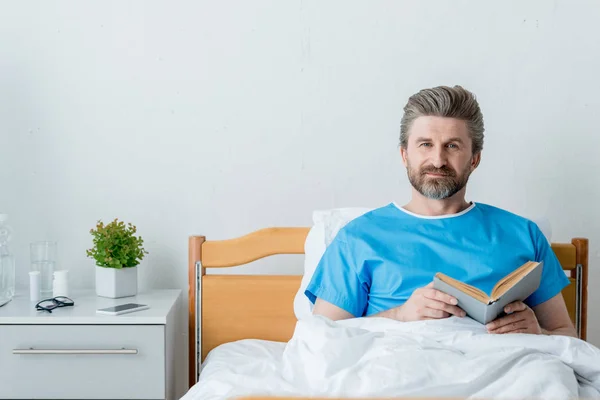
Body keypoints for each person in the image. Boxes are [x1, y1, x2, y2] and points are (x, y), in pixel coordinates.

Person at [305, 85, 577, 337]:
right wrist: (399, 315)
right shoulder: (357, 238)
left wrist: (538, 333)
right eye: (425, 144)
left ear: (474, 159)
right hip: (396, 371)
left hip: (504, 372)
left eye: (452, 146)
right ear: (404, 155)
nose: (437, 160)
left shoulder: (523, 234)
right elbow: (322, 338)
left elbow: (568, 337)